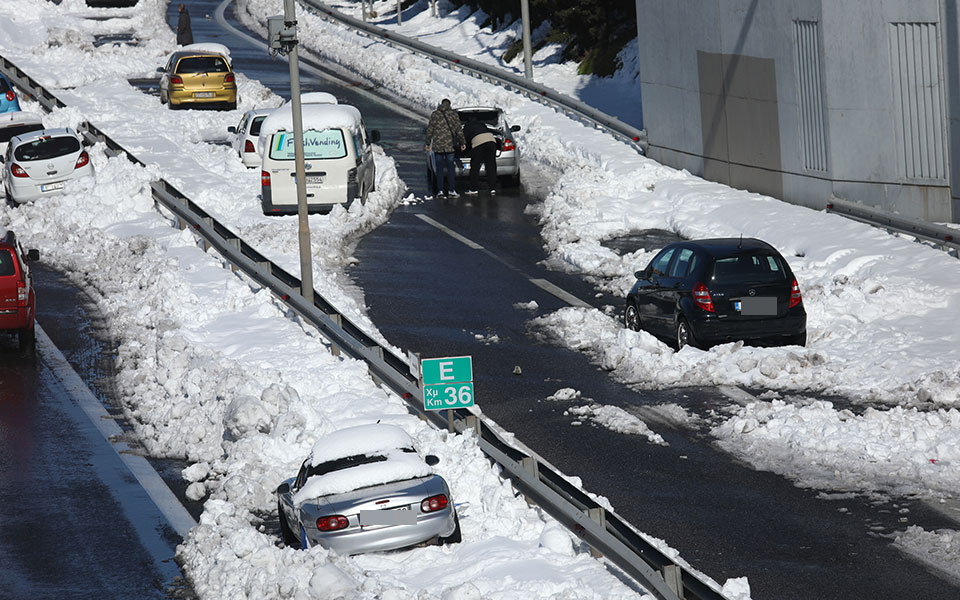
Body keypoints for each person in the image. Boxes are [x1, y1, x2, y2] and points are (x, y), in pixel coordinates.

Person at [424, 99, 465, 198]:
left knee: (439, 169)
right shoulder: (453, 114)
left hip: (438, 146)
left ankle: (440, 191)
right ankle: (451, 190)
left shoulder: (435, 115)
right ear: (449, 105)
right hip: (450, 146)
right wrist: (462, 142)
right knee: (451, 168)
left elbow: (430, 129)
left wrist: (428, 143)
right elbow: (458, 129)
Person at [461, 119, 498, 195]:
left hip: (478, 143)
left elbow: (465, 141)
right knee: (491, 165)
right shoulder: (482, 124)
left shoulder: (467, 127)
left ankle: (474, 189)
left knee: (475, 166)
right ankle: (492, 188)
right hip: (491, 141)